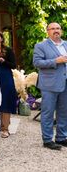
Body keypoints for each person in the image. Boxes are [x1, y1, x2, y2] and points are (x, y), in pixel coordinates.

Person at [33, 22, 67, 150]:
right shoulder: (41, 46)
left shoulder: (66, 44)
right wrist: (55, 61)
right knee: (48, 113)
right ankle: (47, 140)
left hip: (65, 83)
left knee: (64, 112)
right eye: (52, 29)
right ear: (48, 31)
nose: (55, 30)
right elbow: (37, 62)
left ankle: (61, 137)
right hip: (49, 84)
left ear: (61, 31)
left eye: (58, 28)